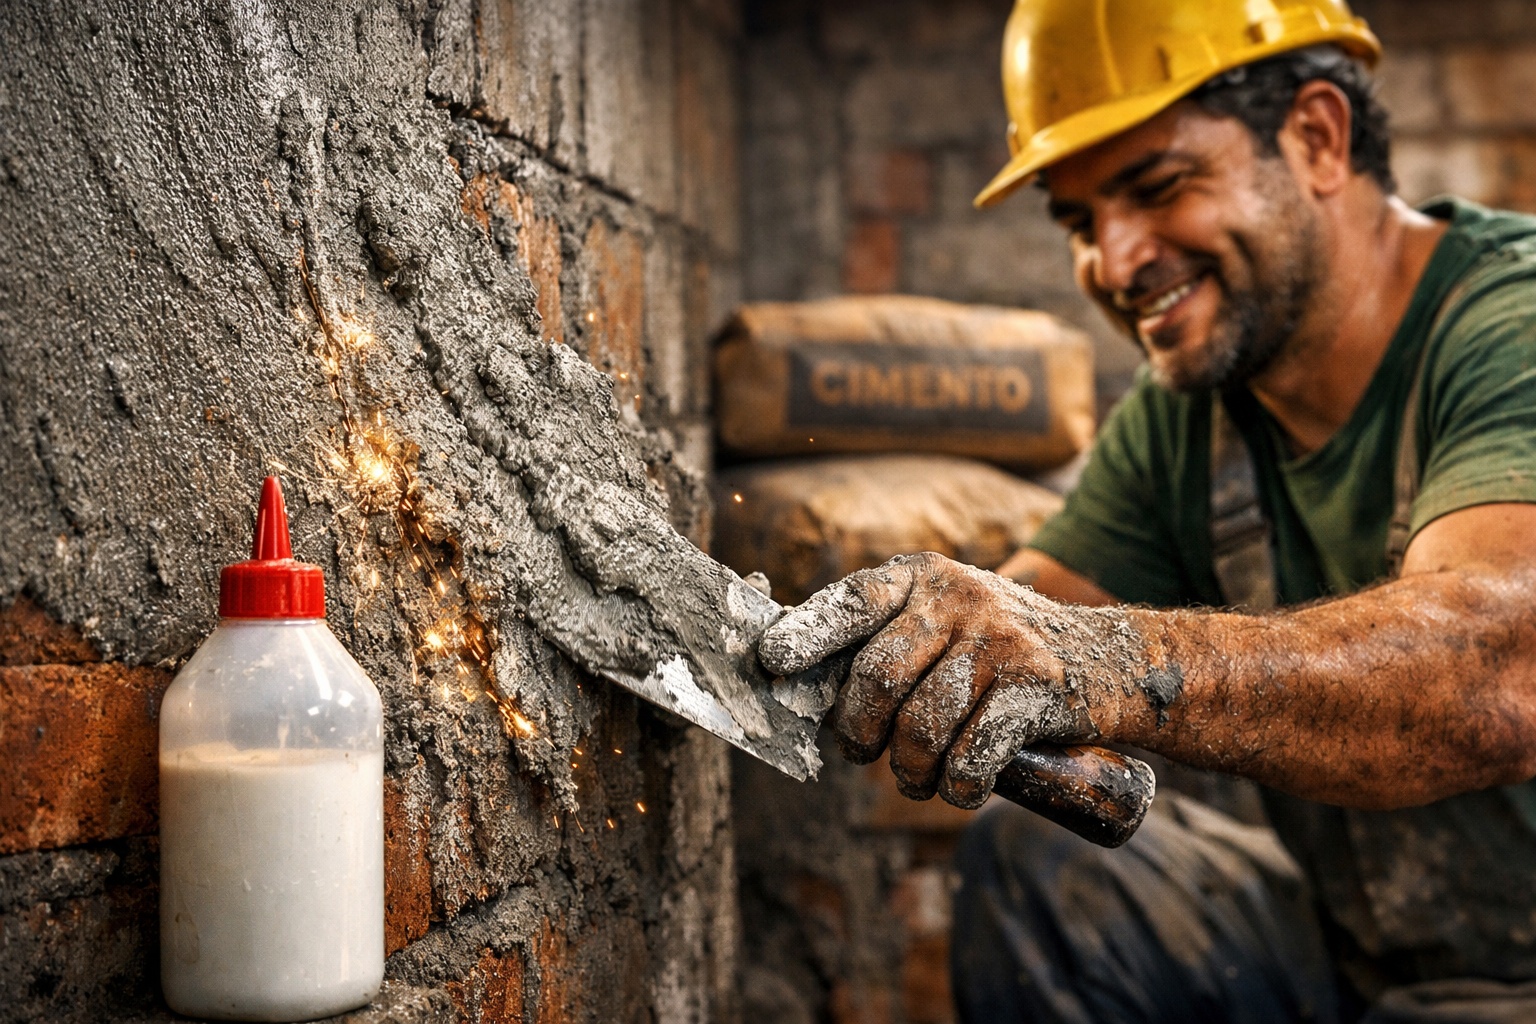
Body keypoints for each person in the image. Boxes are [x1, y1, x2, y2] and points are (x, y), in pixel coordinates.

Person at [755, 1, 1536, 1021]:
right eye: (1080, 222)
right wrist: (901, 649)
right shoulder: (1188, 418)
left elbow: (1499, 672)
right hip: (1366, 965)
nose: (1115, 265)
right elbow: (1022, 619)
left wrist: (1103, 664)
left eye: (1158, 188)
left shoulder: (1506, 325)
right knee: (1051, 868)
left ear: (1316, 137)